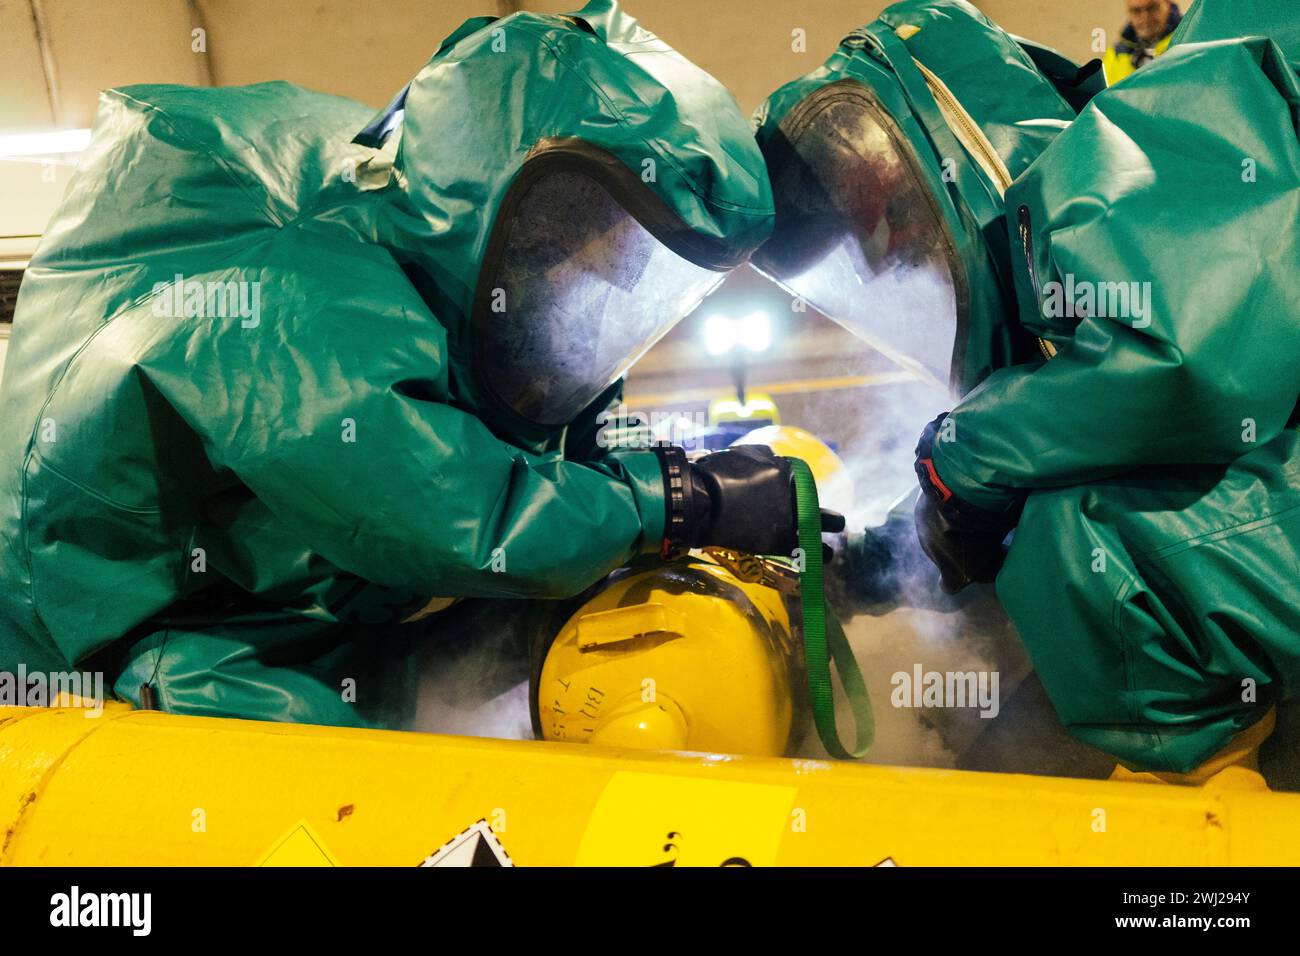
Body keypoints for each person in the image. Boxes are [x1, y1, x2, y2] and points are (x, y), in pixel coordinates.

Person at [0, 1, 828, 729]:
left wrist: (677, 486)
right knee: (321, 759)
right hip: (109, 630)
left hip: (271, 587)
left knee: (505, 645)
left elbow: (563, 450)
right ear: (499, 188)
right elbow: (458, 512)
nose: (605, 277)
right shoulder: (303, 296)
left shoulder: (459, 278)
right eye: (587, 237)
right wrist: (684, 500)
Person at [756, 0, 1300, 782]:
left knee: (1079, 535)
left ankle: (1206, 839)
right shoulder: (1154, 153)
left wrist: (962, 454)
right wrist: (870, 558)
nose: (896, 250)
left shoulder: (1146, 146)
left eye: (888, 214)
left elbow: (1181, 362)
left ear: (948, 129)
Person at [1102, 0, 1182, 85]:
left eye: (1152, 8)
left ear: (1168, 5)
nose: (1145, 17)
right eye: (1136, 11)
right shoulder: (1114, 57)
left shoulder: (1189, 42)